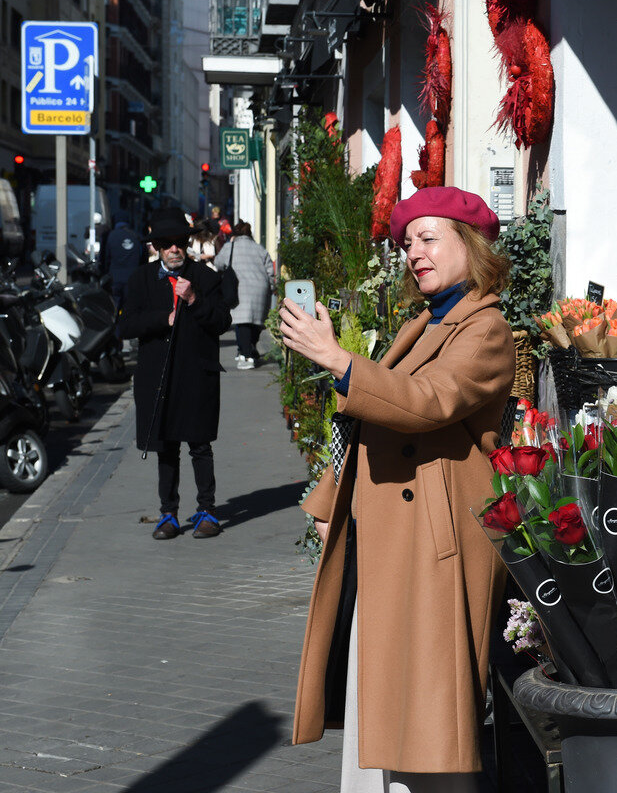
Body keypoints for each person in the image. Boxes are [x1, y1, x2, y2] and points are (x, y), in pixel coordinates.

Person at [281, 186, 516, 792]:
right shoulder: (423, 321)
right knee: (387, 702)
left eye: (428, 238)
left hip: (436, 544)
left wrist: (337, 360)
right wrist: (330, 499)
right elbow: (365, 421)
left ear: (470, 245)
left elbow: (425, 403)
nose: (414, 253)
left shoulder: (485, 328)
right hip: (391, 536)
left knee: (434, 719)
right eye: (408, 242)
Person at [118, 207, 233, 540]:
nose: (173, 249)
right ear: (156, 247)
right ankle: (168, 513)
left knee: (200, 445)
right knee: (165, 447)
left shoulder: (206, 278)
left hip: (196, 373)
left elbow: (223, 322)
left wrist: (194, 299)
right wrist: (162, 318)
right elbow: (125, 326)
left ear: (187, 243)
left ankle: (207, 510)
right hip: (158, 377)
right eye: (166, 244)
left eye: (179, 242)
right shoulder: (140, 279)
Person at [215, 220, 274, 370]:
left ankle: (246, 355)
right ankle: (249, 350)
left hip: (240, 288)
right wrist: (271, 287)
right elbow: (270, 271)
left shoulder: (230, 247)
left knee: (242, 323)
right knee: (255, 322)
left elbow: (218, 263)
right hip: (261, 288)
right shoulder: (259, 249)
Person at [100, 213, 146, 311]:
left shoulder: (110, 236)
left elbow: (105, 258)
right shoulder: (137, 236)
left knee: (114, 307)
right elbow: (144, 260)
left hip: (114, 279)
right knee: (130, 309)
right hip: (133, 279)